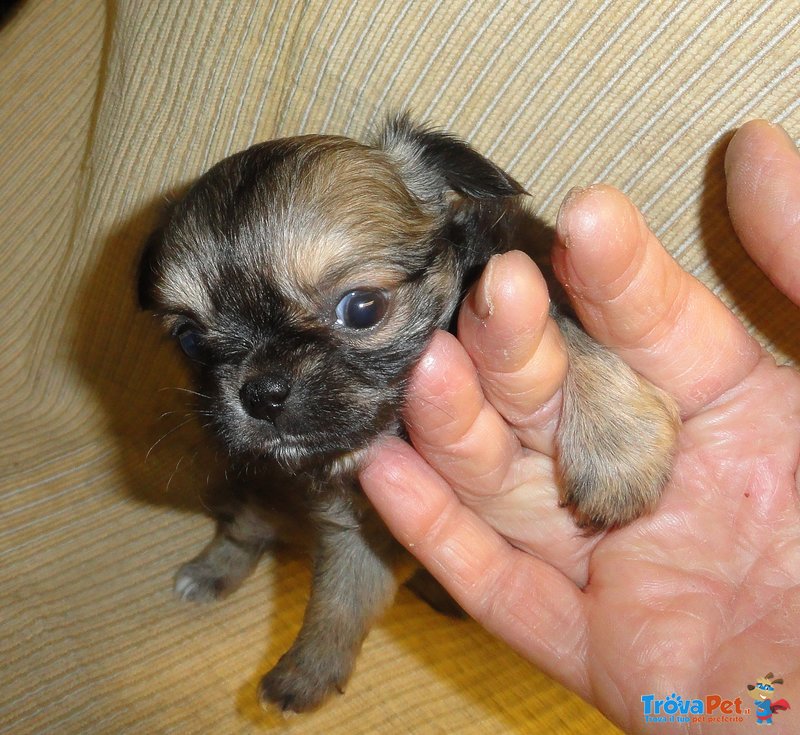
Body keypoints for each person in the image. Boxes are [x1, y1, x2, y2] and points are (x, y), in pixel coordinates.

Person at [359, 119, 800, 733]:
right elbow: (743, 709)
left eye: (359, 307)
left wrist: (731, 708)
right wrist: (735, 713)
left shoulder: (498, 250)